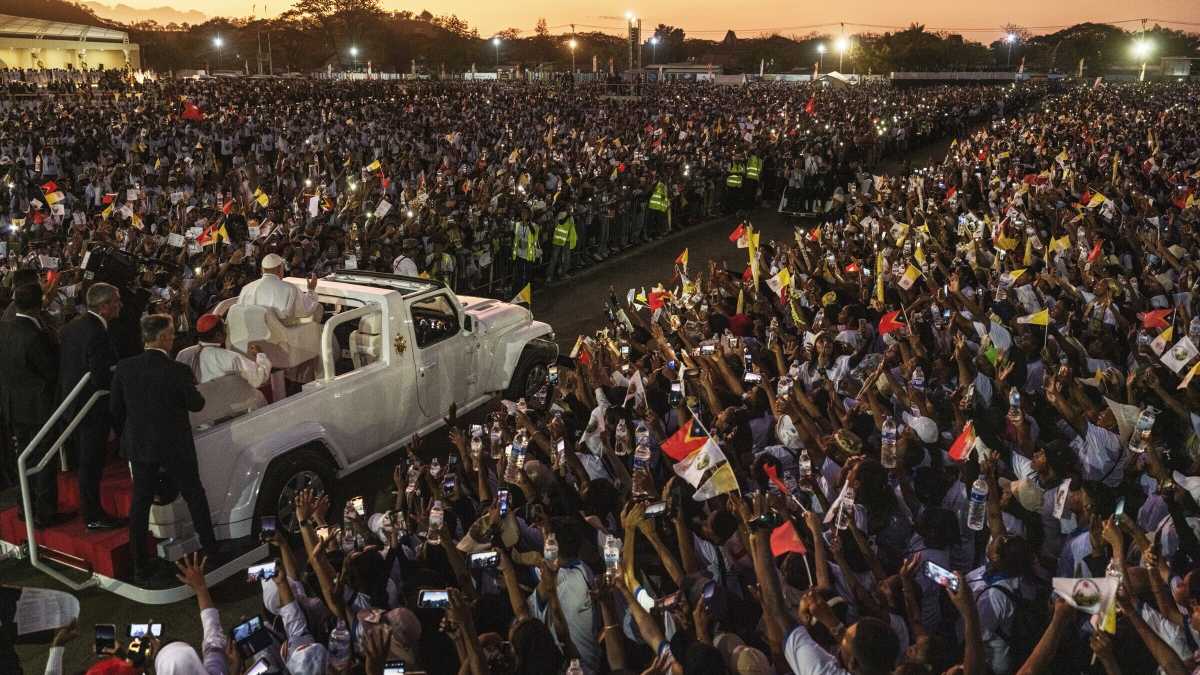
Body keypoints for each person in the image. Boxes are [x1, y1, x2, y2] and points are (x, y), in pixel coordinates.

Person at [110, 314, 215, 584]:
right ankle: (211, 550)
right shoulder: (177, 371)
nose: (174, 338)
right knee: (194, 494)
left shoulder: (125, 368)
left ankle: (139, 564)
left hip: (140, 444)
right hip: (174, 445)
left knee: (140, 502)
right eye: (171, 334)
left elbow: (116, 410)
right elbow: (197, 404)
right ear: (163, 338)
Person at [57, 282, 122, 531]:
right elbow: (100, 376)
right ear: (104, 307)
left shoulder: (73, 326)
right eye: (116, 301)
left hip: (75, 404)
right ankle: (93, 515)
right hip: (90, 407)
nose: (120, 305)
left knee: (87, 462)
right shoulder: (97, 332)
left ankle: (92, 512)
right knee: (91, 463)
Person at [0, 284, 62, 527]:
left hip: (14, 407)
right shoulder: (36, 335)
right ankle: (45, 512)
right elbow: (50, 371)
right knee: (43, 458)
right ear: (40, 303)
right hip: (38, 408)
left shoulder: (4, 329)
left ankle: (25, 507)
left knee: (23, 457)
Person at [175, 314, 271, 388]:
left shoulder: (183, 354)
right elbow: (259, 378)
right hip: (225, 404)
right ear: (218, 335)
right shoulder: (231, 357)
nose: (227, 331)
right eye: (224, 328)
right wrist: (260, 355)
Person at [236, 253, 321, 324]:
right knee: (318, 309)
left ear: (262, 270)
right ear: (280, 269)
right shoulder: (290, 289)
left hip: (250, 334)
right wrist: (311, 290)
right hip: (279, 335)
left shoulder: (246, 288)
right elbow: (306, 310)